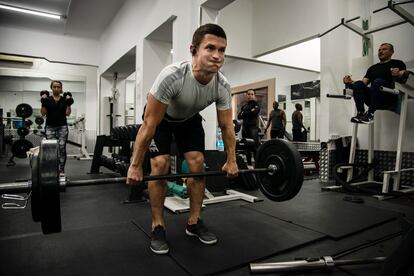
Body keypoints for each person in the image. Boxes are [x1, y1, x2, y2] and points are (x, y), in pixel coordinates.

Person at [126, 24, 238, 255]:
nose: (217, 56)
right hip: (161, 119)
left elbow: (227, 126)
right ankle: (158, 226)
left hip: (188, 119)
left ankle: (194, 222)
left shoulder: (222, 85)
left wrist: (232, 159)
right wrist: (135, 165)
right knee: (159, 164)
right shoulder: (173, 76)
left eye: (222, 50)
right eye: (210, 48)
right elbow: (149, 125)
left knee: (197, 164)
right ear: (194, 49)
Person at [343, 43, 406, 124]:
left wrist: (399, 73)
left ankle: (370, 114)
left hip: (389, 97)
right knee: (358, 83)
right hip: (373, 98)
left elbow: (406, 74)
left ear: (391, 52)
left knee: (378, 81)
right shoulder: (372, 68)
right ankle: (361, 113)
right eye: (379, 50)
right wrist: (350, 82)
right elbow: (363, 83)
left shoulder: (398, 63)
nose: (380, 51)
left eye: (384, 49)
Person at [40, 81, 74, 176]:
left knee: (62, 148)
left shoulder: (64, 99)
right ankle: (53, 168)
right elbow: (43, 113)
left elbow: (67, 113)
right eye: (54, 87)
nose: (56, 89)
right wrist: (43, 103)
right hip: (50, 126)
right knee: (51, 148)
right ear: (51, 88)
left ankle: (61, 169)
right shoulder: (48, 99)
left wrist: (69, 103)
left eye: (58, 87)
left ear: (61, 88)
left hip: (62, 126)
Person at [237, 89, 260, 165]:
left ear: (254, 96)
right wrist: (249, 112)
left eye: (252, 94)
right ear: (246, 95)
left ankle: (257, 166)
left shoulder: (256, 104)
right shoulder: (244, 106)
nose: (250, 95)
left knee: (255, 148)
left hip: (253, 129)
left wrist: (244, 113)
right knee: (247, 148)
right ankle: (249, 165)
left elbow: (255, 112)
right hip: (245, 129)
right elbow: (239, 116)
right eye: (249, 94)